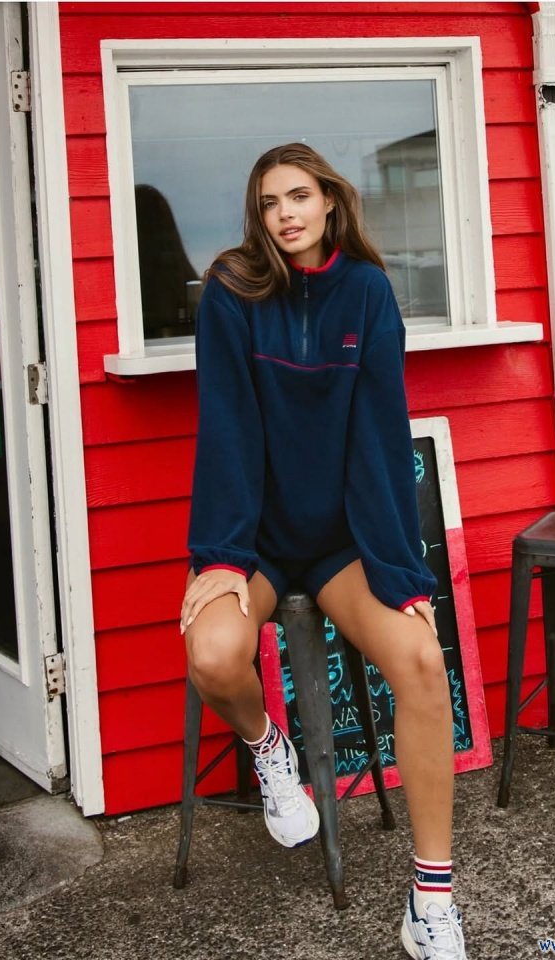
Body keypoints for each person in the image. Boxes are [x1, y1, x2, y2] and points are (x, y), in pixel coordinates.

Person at [180, 142, 467, 960]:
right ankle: (270, 750)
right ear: (258, 215)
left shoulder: (367, 292)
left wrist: (400, 572)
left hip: (342, 543)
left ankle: (432, 901)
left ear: (330, 201)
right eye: (270, 202)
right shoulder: (232, 290)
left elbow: (379, 435)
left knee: (421, 661)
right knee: (214, 654)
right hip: (258, 540)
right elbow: (227, 427)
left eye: (300, 196)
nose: (287, 214)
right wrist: (222, 557)